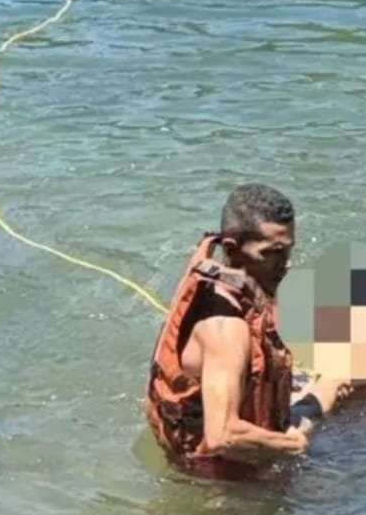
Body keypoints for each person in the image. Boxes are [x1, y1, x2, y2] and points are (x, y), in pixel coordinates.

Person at [145, 183, 347, 470]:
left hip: (245, 444)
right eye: (272, 254)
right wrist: (295, 445)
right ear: (232, 250)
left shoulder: (235, 291)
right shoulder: (226, 328)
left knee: (335, 380)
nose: (285, 265)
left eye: (288, 251)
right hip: (221, 490)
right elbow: (222, 437)